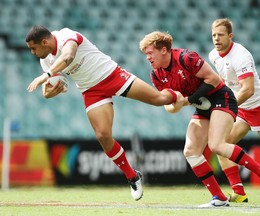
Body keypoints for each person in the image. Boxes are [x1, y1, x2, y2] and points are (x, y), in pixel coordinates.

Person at [25, 26, 186, 201]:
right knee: (103, 136)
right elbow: (46, 90)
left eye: (33, 48)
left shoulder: (66, 36)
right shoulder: (46, 60)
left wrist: (46, 75)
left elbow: (68, 55)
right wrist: (49, 92)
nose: (33, 53)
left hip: (111, 75)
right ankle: (132, 176)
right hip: (91, 90)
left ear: (45, 42)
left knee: (159, 100)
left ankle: (187, 94)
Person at [139, 31, 260, 207]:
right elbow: (168, 105)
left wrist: (188, 100)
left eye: (150, 53)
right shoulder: (156, 75)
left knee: (217, 145)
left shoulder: (186, 57)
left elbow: (214, 79)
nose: (148, 58)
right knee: (190, 151)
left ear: (164, 50)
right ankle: (219, 197)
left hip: (222, 98)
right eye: (146, 54)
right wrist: (175, 104)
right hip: (201, 106)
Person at [209, 18, 260, 203]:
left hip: (259, 107)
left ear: (230, 36)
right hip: (242, 109)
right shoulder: (214, 55)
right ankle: (239, 192)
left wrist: (228, 104)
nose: (216, 39)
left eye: (220, 35)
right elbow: (224, 78)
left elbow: (248, 89)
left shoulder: (241, 55)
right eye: (213, 35)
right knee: (221, 145)